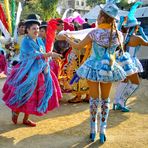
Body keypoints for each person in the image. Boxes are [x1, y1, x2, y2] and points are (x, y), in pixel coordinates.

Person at [58, 3, 127, 143]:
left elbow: (78, 47)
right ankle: (103, 130)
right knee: (105, 100)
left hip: (93, 68)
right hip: (109, 68)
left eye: (99, 15)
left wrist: (67, 38)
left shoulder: (94, 33)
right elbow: (117, 51)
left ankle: (92, 129)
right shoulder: (119, 34)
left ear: (102, 17)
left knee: (94, 100)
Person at [2, 14, 62, 127]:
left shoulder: (39, 40)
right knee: (24, 95)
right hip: (26, 73)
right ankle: (16, 111)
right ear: (27, 29)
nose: (36, 30)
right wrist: (48, 54)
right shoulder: (25, 42)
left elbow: (43, 53)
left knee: (34, 98)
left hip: (39, 72)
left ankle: (26, 118)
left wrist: (47, 58)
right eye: (34, 28)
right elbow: (33, 55)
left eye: (38, 28)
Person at [113, 1, 148, 112]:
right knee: (136, 83)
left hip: (123, 61)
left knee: (123, 81)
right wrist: (142, 33)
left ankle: (116, 102)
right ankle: (121, 102)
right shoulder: (138, 38)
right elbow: (147, 43)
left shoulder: (124, 36)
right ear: (136, 27)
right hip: (131, 62)